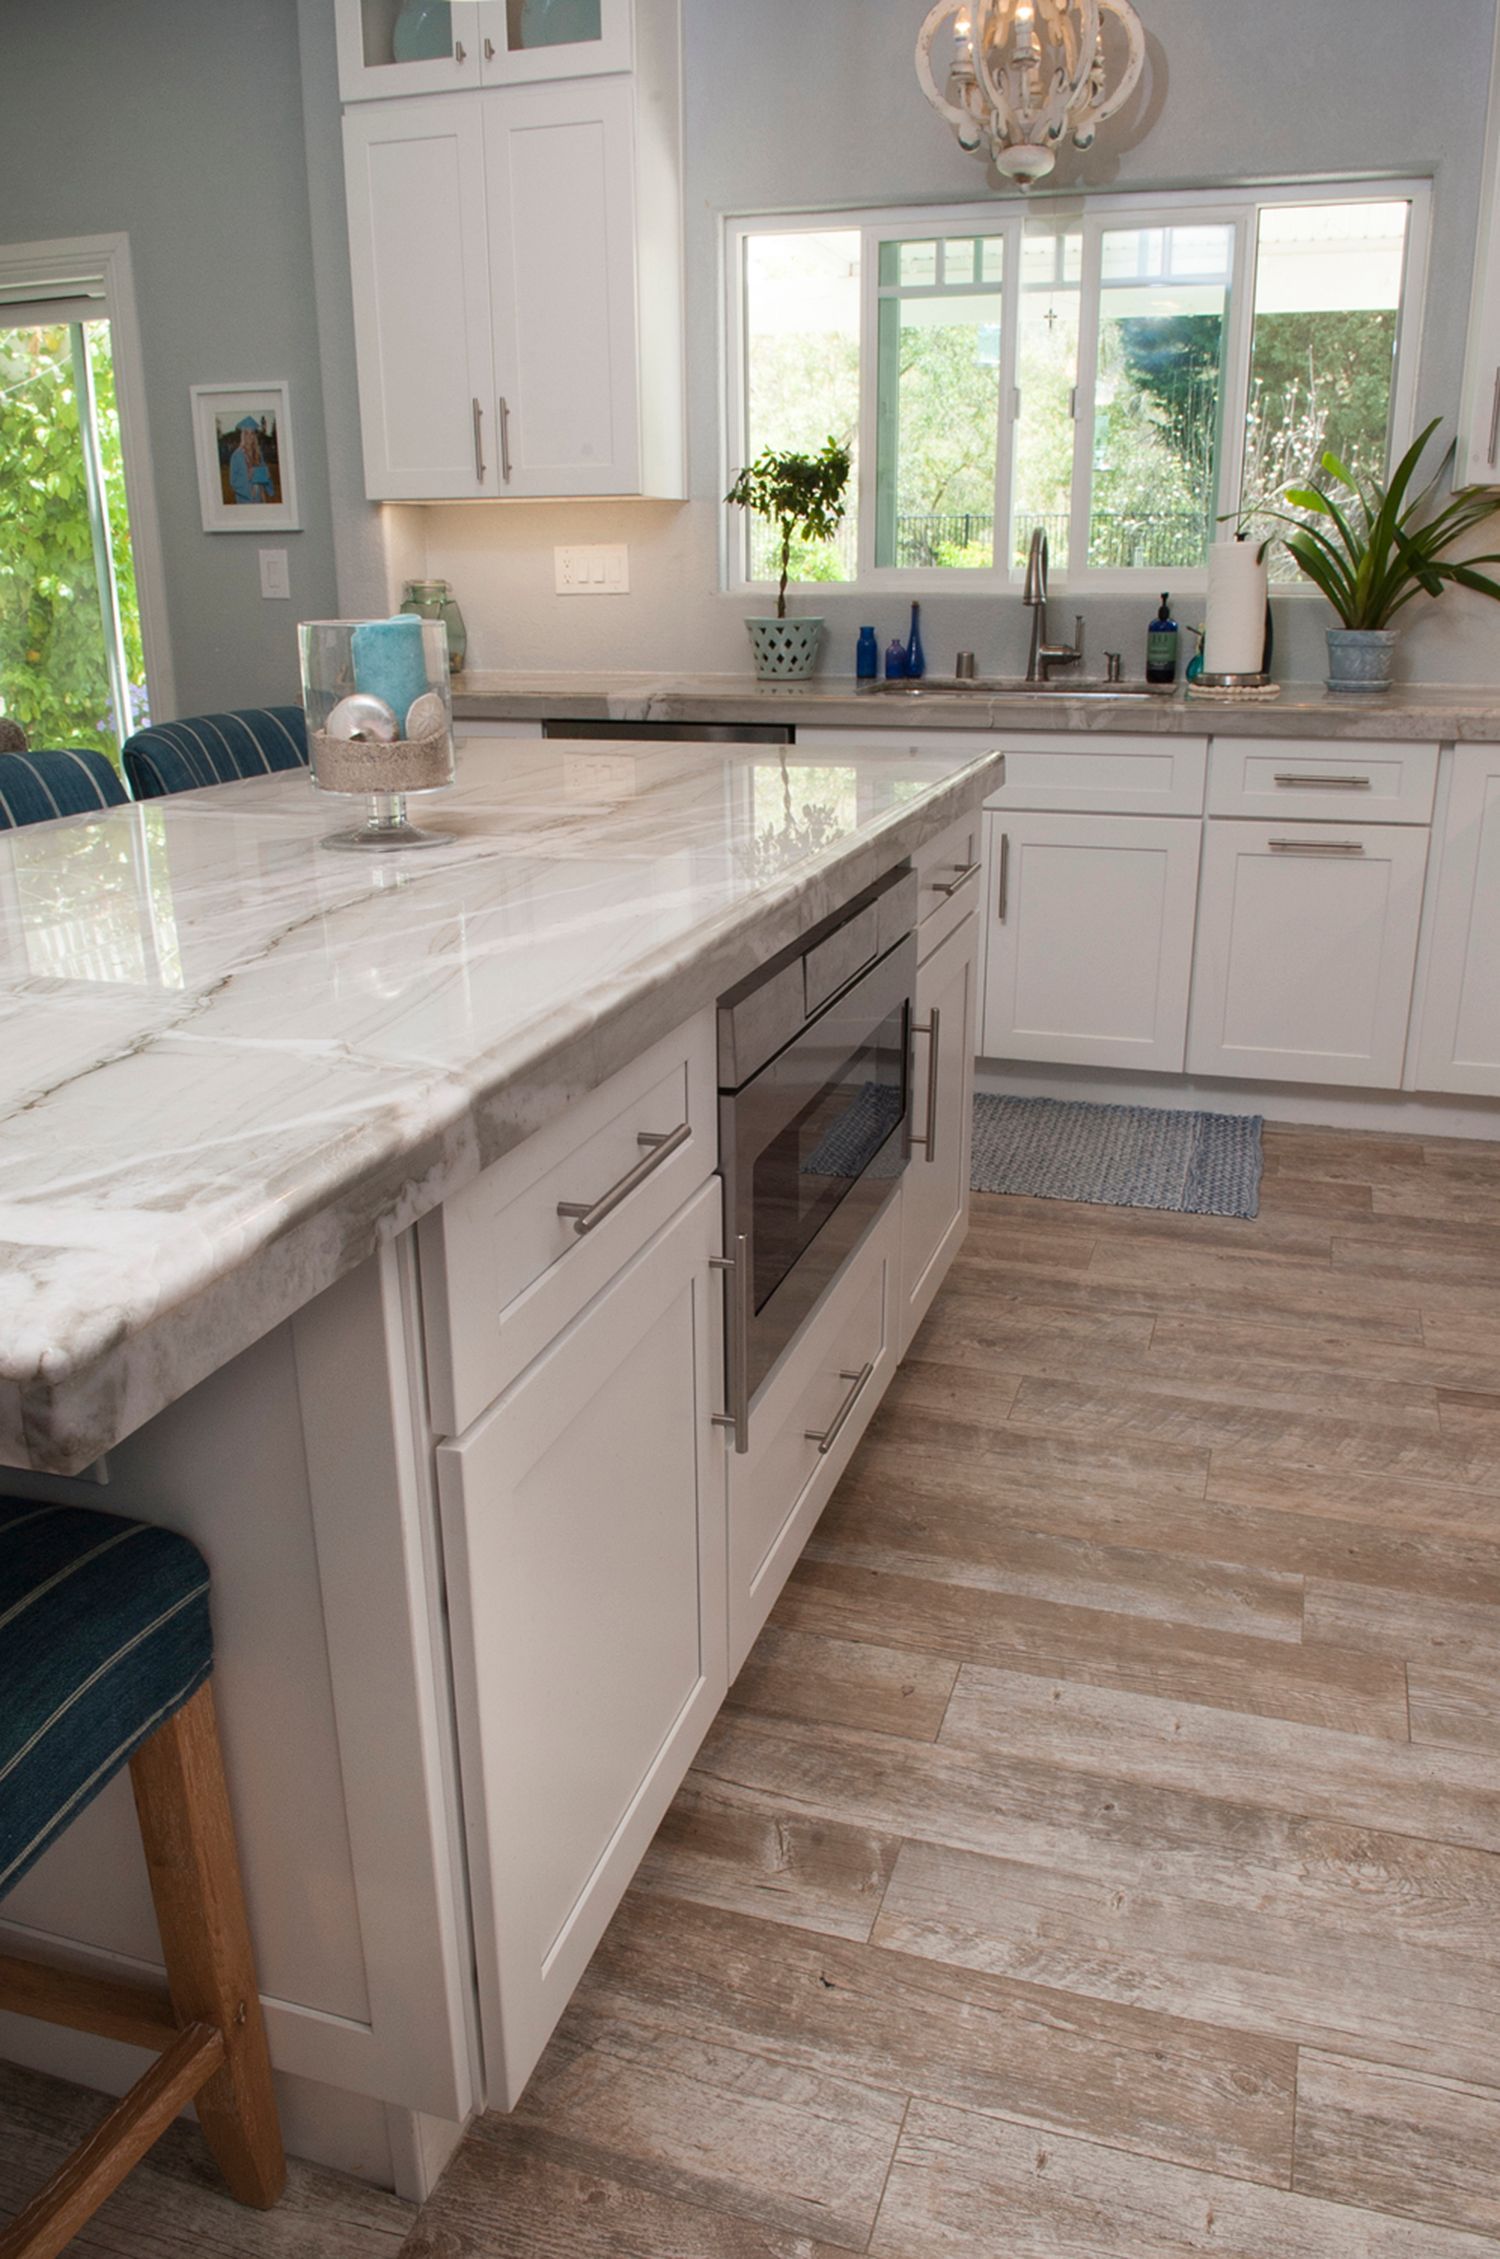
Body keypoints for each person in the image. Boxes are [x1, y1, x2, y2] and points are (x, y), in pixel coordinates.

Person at [227, 417, 274, 505]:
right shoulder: (236, 456)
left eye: (252, 433)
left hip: (261, 499)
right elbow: (233, 483)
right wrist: (247, 477)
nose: (249, 436)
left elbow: (264, 480)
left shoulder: (258, 455)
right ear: (242, 435)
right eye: (246, 433)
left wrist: (268, 476)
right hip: (245, 501)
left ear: (254, 436)